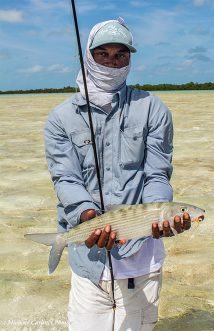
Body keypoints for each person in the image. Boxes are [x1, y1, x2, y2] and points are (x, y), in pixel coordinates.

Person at [44, 18, 191, 331]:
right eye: (103, 54)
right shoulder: (60, 118)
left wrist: (159, 218)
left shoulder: (153, 108)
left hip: (143, 261)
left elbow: (157, 174)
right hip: (89, 262)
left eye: (120, 54)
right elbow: (66, 179)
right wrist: (87, 217)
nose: (112, 62)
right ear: (88, 55)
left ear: (130, 58)